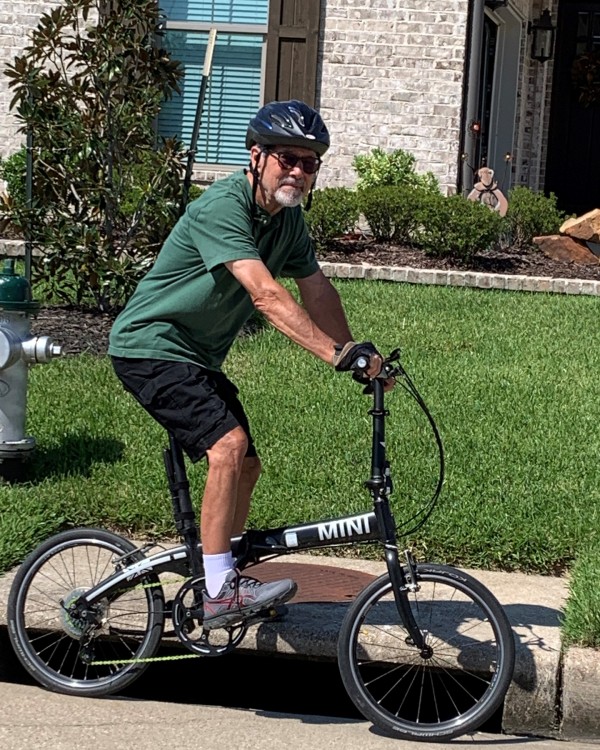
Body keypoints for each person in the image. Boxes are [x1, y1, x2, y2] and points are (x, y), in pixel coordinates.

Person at [108, 99, 390, 630]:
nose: (300, 172)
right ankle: (219, 592)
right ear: (256, 155)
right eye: (288, 158)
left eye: (310, 163)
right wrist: (333, 355)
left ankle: (224, 571)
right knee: (228, 449)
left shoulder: (288, 221)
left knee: (249, 466)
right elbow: (265, 294)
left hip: (194, 357)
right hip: (150, 346)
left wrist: (359, 357)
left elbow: (317, 290)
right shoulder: (223, 205)